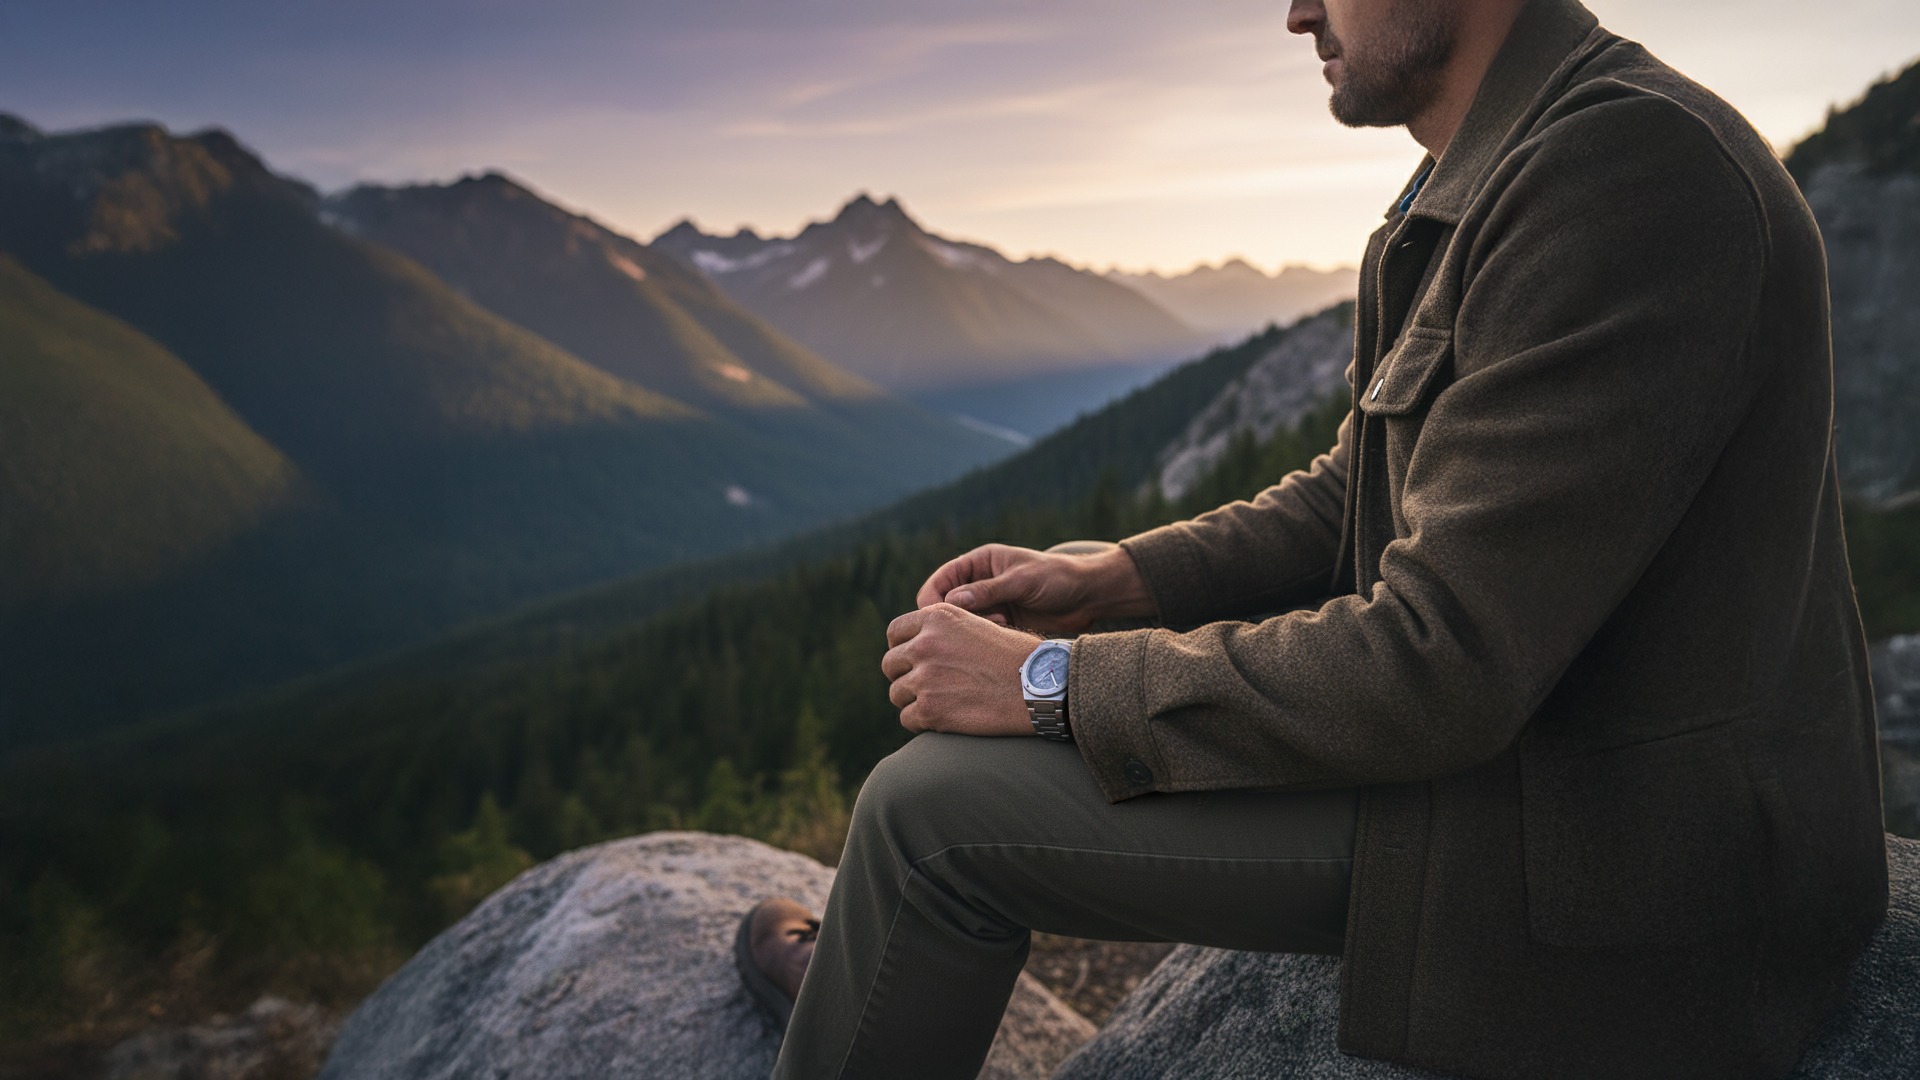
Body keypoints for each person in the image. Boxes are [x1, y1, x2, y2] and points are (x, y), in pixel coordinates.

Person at [735, 0, 1890, 1076]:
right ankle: (875, 980)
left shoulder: (1629, 177)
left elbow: (1442, 663)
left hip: (1607, 862)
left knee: (924, 814)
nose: (1295, 11)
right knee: (925, 830)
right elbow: (1363, 486)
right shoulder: (1519, 160)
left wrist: (1050, 680)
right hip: (1539, 776)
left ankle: (873, 982)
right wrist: (1114, 579)